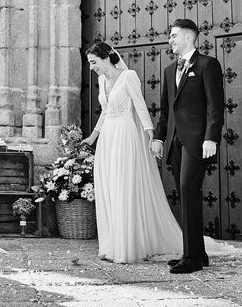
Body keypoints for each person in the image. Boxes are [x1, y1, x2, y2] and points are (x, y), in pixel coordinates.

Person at [82, 38, 232, 266]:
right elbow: (105, 111)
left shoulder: (128, 76)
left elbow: (140, 105)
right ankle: (112, 244)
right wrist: (93, 136)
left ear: (105, 58)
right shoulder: (102, 80)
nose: (92, 67)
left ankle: (127, 248)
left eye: (94, 62)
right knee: (110, 188)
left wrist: (151, 133)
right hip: (108, 138)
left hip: (125, 134)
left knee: (124, 187)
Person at [151, 19, 225, 274]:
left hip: (197, 142)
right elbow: (166, 111)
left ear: (189, 37)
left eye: (173, 36)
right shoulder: (169, 71)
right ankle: (196, 252)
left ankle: (192, 258)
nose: (170, 40)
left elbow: (215, 106)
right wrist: (160, 138)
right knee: (186, 195)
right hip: (174, 142)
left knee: (187, 188)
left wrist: (211, 138)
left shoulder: (207, 65)